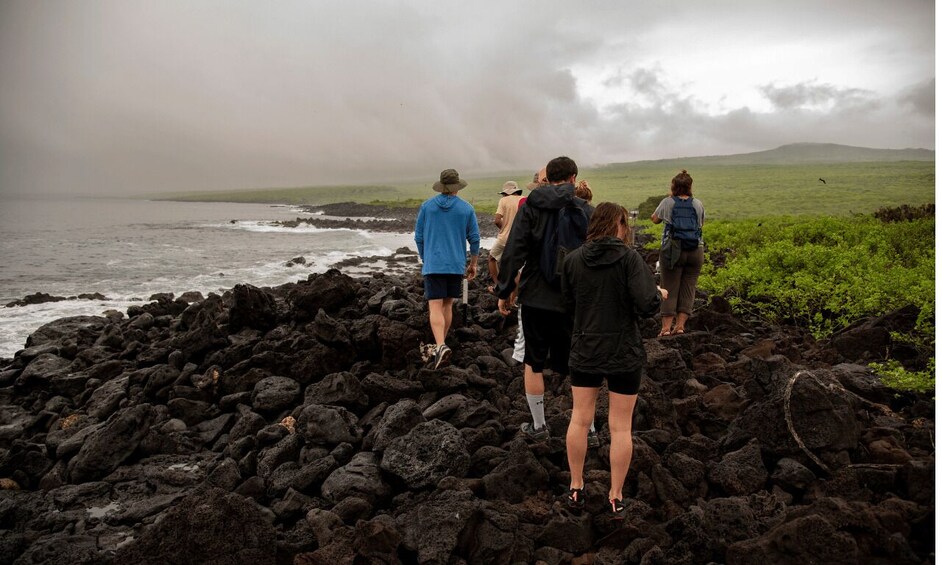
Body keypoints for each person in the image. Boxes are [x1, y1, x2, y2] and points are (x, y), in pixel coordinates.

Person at [561, 202, 666, 519]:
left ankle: (576, 487)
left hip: (585, 349)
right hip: (624, 352)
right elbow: (648, 305)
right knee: (620, 428)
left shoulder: (573, 260)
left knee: (580, 419)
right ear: (619, 224)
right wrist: (658, 293)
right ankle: (616, 496)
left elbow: (567, 304)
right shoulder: (630, 258)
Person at [495, 156, 594, 441]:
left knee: (533, 361)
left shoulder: (532, 206)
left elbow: (515, 250)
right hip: (574, 299)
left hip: (536, 295)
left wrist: (505, 291)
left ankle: (538, 427)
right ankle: (589, 427)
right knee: (578, 363)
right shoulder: (586, 210)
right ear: (574, 177)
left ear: (547, 178)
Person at [414, 168, 481, 368]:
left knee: (434, 306)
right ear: (456, 187)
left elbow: (418, 237)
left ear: (441, 187)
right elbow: (475, 239)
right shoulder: (466, 208)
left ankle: (440, 346)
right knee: (447, 305)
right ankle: (440, 347)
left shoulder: (427, 207)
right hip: (455, 265)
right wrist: (473, 264)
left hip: (434, 264)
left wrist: (426, 258)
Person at [650, 169, 705, 336]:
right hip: (696, 250)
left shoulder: (668, 202)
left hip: (673, 250)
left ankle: (666, 329)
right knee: (689, 287)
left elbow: (654, 219)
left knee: (669, 286)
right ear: (690, 186)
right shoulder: (697, 203)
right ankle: (680, 326)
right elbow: (701, 224)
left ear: (674, 186)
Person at [488, 181, 526, 292]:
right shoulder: (524, 200)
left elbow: (497, 220)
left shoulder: (503, 200)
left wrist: (503, 228)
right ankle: (514, 299)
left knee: (492, 258)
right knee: (517, 268)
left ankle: (498, 286)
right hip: (520, 239)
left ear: (505, 193)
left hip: (504, 238)